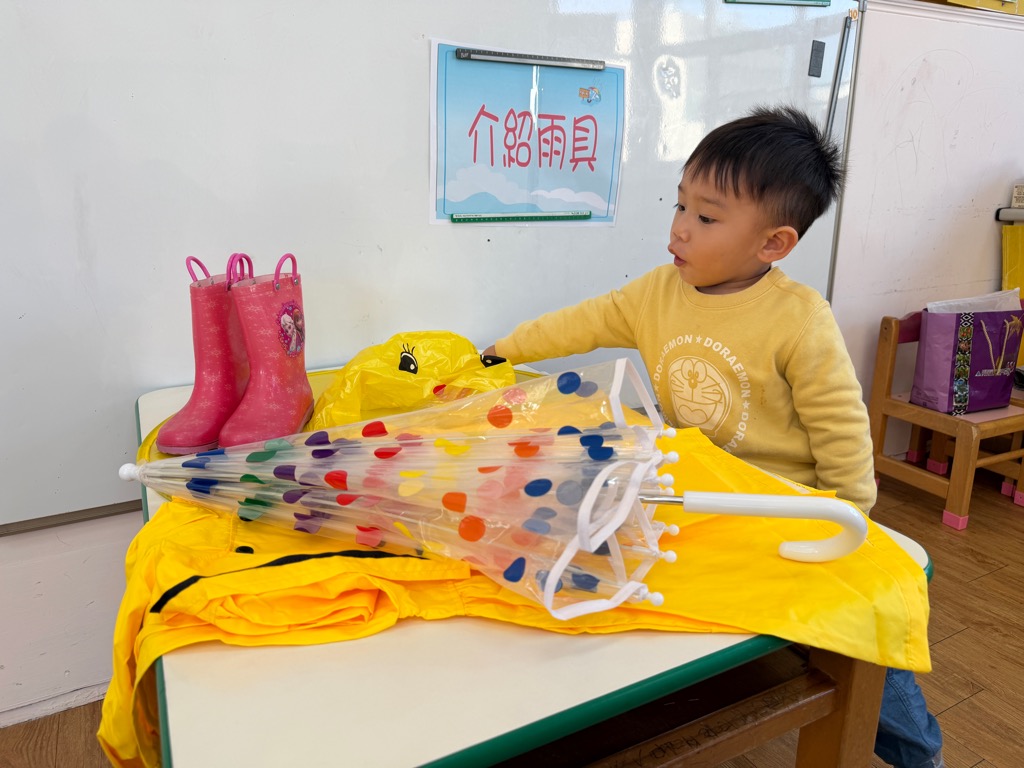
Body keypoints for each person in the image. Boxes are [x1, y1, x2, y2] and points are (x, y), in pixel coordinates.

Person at [484, 105, 943, 768]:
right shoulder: (657, 292)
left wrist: (846, 520)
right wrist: (500, 352)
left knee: (861, 628)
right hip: (697, 497)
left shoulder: (800, 320)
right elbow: (580, 323)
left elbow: (842, 430)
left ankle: (919, 755)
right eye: (680, 205)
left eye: (706, 217)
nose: (679, 227)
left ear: (773, 244)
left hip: (787, 514)